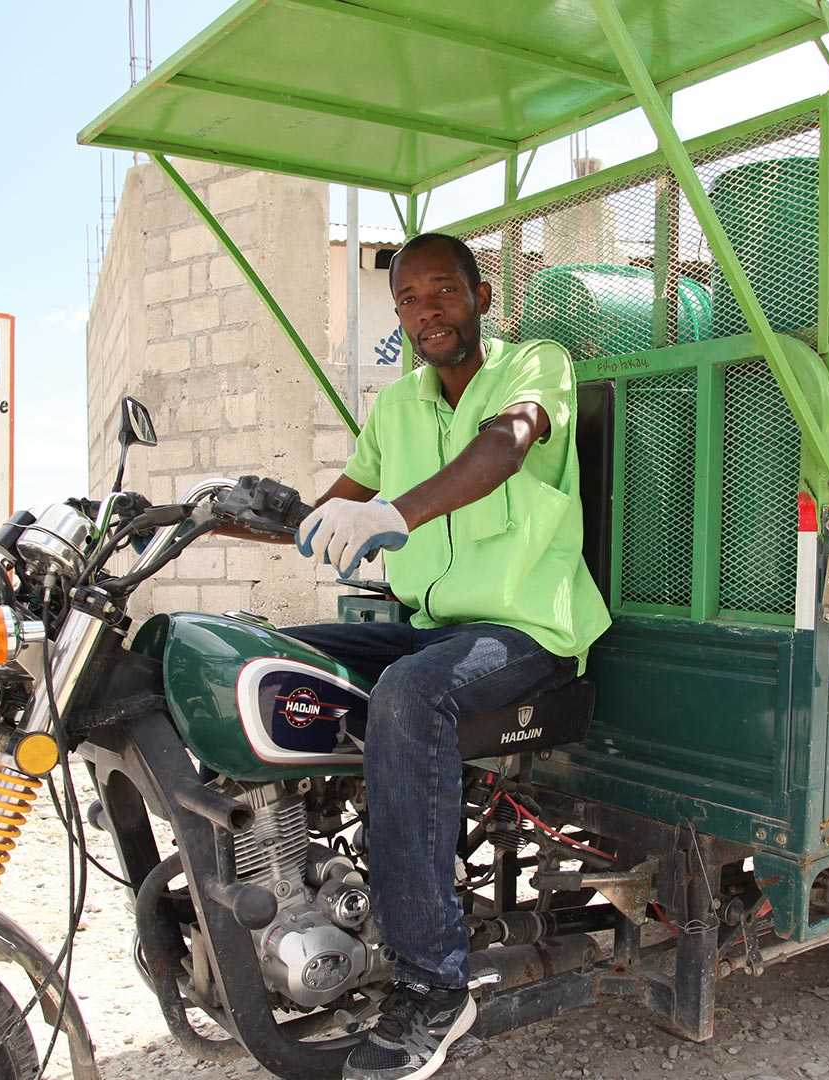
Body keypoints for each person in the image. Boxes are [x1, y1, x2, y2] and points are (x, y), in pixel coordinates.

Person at [287, 232, 610, 1080]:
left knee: (408, 692)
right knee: (268, 654)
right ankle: (291, 884)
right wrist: (226, 510)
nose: (426, 312)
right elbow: (334, 506)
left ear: (481, 298)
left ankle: (434, 983)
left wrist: (399, 513)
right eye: (409, 300)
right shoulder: (396, 408)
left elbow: (506, 446)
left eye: (443, 293)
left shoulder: (536, 365)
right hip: (433, 625)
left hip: (528, 631)